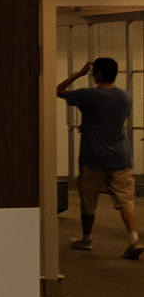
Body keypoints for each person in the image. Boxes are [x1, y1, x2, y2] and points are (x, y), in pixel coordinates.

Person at [58, 57, 144, 259]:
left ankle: (86, 238)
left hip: (93, 157)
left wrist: (78, 74)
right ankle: (133, 239)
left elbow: (58, 90)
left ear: (97, 74)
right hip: (121, 156)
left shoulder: (89, 95)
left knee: (88, 199)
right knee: (126, 200)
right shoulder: (125, 97)